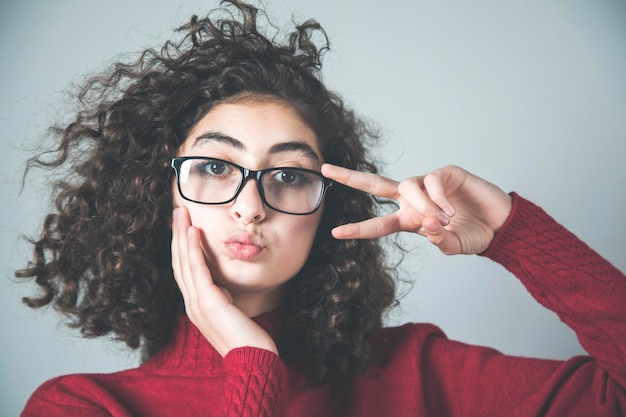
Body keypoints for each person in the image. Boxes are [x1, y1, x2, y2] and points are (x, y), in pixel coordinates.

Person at [16, 1, 625, 416]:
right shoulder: (83, 405)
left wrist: (512, 234)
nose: (250, 207)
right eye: (214, 167)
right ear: (159, 192)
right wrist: (252, 365)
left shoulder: (416, 374)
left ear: (330, 207)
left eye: (287, 175)